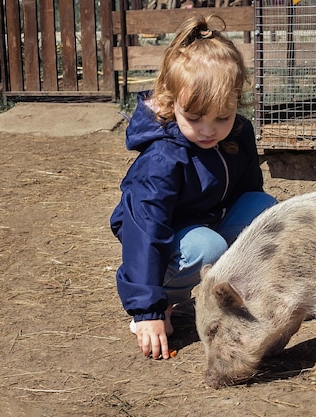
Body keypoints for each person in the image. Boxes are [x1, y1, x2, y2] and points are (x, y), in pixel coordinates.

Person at [110, 15, 277, 362]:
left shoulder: (238, 132)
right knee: (208, 245)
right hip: (169, 240)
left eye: (222, 117)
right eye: (195, 117)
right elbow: (144, 231)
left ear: (236, 103)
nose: (208, 130)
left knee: (263, 208)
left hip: (209, 217)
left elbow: (247, 189)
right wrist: (147, 310)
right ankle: (167, 296)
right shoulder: (162, 159)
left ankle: (248, 291)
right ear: (172, 102)